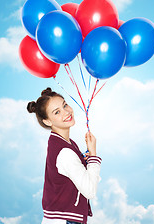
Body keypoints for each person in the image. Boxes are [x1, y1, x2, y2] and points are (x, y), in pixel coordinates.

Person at [27, 87, 102, 224]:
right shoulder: (65, 152)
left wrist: (82, 162)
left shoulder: (62, 142)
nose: (66, 112)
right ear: (48, 121)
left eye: (65, 105)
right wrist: (93, 156)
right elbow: (90, 190)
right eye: (57, 112)